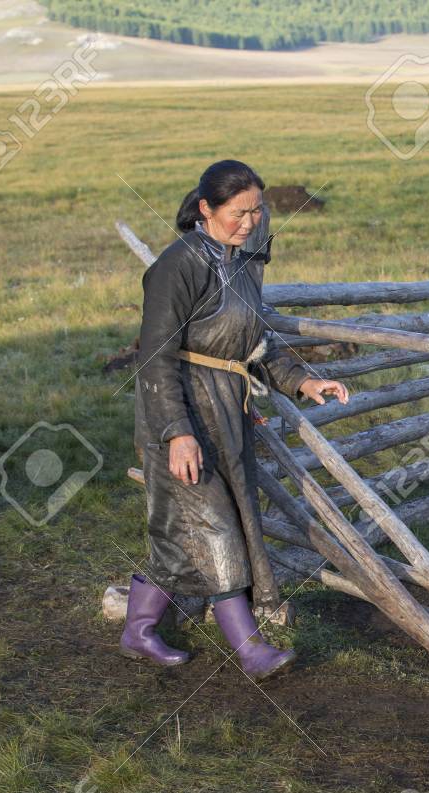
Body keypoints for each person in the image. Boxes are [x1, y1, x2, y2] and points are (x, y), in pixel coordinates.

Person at [122, 160, 349, 679]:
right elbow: (154, 357)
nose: (249, 223)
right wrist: (176, 432)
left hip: (227, 411)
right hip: (177, 412)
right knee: (216, 527)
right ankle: (249, 648)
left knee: (187, 529)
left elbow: (256, 340)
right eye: (238, 212)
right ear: (206, 208)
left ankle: (137, 630)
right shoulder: (178, 265)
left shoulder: (241, 262)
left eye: (256, 211)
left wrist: (302, 381)